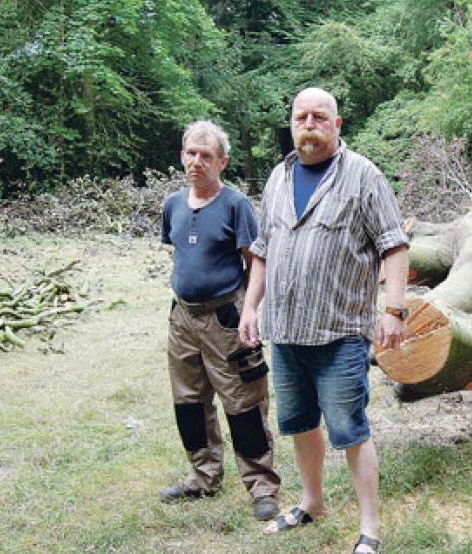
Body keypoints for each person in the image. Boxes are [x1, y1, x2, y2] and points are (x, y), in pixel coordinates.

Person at [239, 88, 409, 554]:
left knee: (350, 428)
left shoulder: (363, 176)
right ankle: (312, 503)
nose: (309, 124)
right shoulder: (278, 177)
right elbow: (262, 250)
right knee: (299, 423)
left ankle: (370, 529)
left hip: (340, 333)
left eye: (320, 117)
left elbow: (393, 246)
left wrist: (394, 311)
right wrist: (251, 307)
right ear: (292, 124)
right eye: (301, 117)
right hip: (286, 330)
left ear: (337, 126)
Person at [159, 120, 281, 522]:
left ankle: (262, 486)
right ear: (182, 156)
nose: (197, 162)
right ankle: (203, 475)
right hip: (183, 319)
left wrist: (249, 310)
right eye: (191, 154)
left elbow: (255, 263)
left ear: (222, 161)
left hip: (225, 318)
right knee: (189, 402)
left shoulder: (235, 205)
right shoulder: (173, 204)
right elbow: (181, 255)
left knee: (243, 403)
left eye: (206, 155)